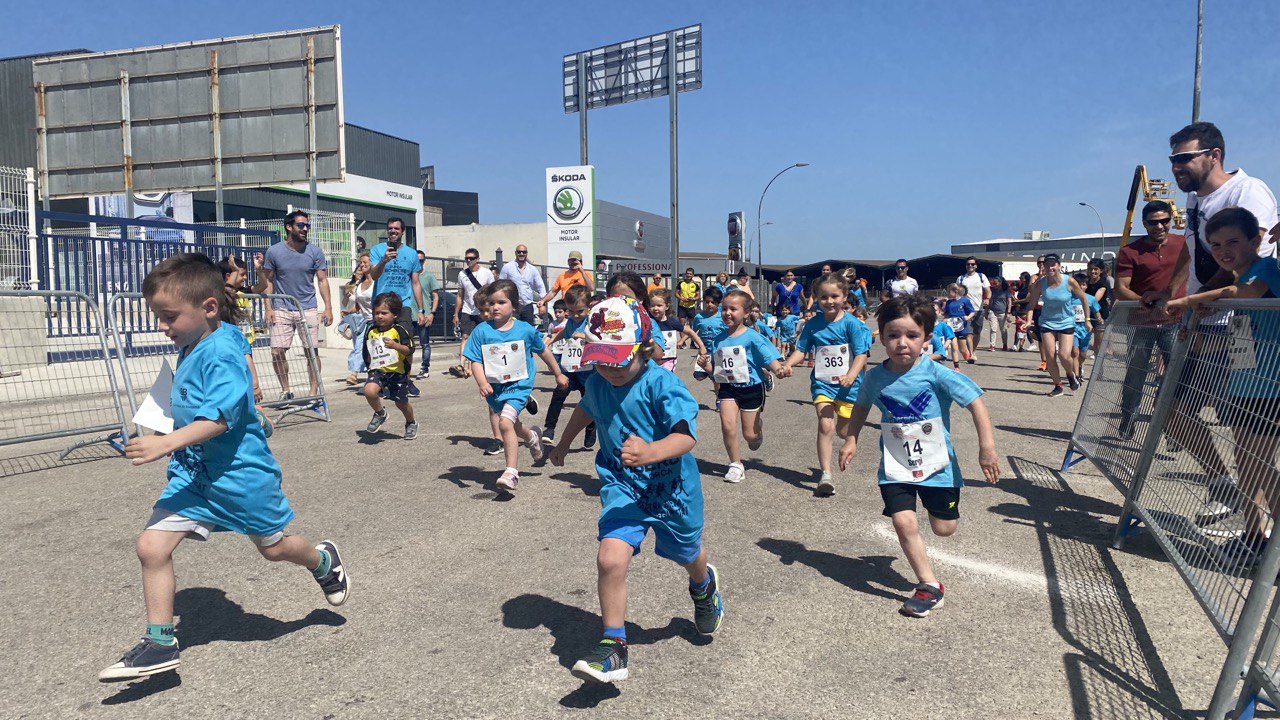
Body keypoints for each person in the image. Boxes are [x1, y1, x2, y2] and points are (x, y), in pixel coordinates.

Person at [101, 253, 348, 682]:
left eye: (169, 317)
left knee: (274, 550)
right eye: (158, 316)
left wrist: (167, 442)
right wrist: (156, 430)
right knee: (151, 548)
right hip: (194, 475)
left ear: (208, 308)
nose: (162, 326)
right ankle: (160, 642)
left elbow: (219, 416)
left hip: (241, 477)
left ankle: (322, 561)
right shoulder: (197, 341)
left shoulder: (221, 352)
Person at [547, 296, 723, 685]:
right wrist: (562, 444)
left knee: (686, 553)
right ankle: (613, 647)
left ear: (644, 347)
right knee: (610, 557)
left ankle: (703, 584)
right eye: (600, 359)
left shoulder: (661, 383)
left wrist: (652, 451)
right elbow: (586, 407)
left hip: (670, 489)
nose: (609, 369)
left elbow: (686, 435)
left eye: (618, 359)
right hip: (622, 485)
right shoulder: (598, 381)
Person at [839, 293, 1000, 618]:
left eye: (912, 336)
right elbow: (861, 407)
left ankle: (939, 512)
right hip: (896, 465)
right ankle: (929, 585)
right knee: (903, 520)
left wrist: (987, 448)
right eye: (893, 335)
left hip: (938, 467)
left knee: (944, 528)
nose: (902, 343)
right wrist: (851, 439)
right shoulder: (874, 377)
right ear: (881, 337)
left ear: (927, 338)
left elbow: (975, 402)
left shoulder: (936, 373)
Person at [1165, 207, 1280, 566]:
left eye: (1233, 241)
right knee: (1247, 465)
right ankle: (1254, 534)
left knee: (1260, 467)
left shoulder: (1265, 270)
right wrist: (1195, 332)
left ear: (1255, 239)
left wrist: (1190, 299)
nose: (1223, 250)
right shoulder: (1242, 279)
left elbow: (1241, 291)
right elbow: (1242, 336)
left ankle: (1266, 543)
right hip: (1247, 385)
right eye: (1215, 245)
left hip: (1270, 387)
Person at [463, 279, 568, 491]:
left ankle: (511, 472)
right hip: (496, 389)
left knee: (503, 424)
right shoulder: (482, 331)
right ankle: (532, 437)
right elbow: (475, 360)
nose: (495, 307)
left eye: (501, 302)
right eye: (492, 303)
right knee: (512, 424)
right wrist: (482, 382)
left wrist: (558, 373)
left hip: (519, 387)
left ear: (514, 304)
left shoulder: (525, 330)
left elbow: (543, 351)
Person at [780, 272, 872, 496]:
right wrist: (788, 364)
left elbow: (861, 355)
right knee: (825, 424)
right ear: (816, 298)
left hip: (849, 386)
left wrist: (851, 375)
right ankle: (826, 475)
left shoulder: (852, 325)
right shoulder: (813, 325)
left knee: (843, 431)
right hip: (823, 384)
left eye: (834, 296)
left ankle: (849, 440)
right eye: (824, 297)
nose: (829, 301)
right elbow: (801, 350)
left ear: (844, 296)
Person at [1170, 122, 1278, 298]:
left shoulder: (1247, 191)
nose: (1175, 168)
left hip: (1238, 316)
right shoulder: (1194, 198)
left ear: (1214, 155)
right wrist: (1170, 292)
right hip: (1201, 313)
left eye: (1184, 158)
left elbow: (1246, 256)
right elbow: (1190, 249)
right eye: (1173, 160)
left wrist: (1202, 296)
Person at [1114, 200, 1190, 437]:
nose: (1160, 226)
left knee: (1178, 374)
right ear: (1145, 223)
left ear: (1170, 221)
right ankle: (1128, 419)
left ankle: (1174, 427)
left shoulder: (1184, 245)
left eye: (1164, 221)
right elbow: (1120, 288)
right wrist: (1144, 302)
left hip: (1175, 322)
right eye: (1154, 222)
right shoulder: (1130, 252)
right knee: (1136, 374)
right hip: (1142, 323)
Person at [698, 290, 789, 483]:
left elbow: (769, 358)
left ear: (746, 313)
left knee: (751, 436)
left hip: (751, 388)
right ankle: (735, 464)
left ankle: (757, 431)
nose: (727, 313)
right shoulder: (718, 339)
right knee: (727, 426)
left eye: (733, 309)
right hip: (727, 389)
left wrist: (779, 369)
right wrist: (706, 366)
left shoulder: (753, 337)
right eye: (724, 309)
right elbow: (717, 369)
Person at [259, 210, 332, 401]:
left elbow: (322, 280)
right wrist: (268, 309)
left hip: (307, 307)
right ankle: (286, 391)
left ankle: (313, 393)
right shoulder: (274, 252)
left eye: (307, 225)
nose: (305, 229)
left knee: (311, 351)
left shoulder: (315, 252)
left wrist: (328, 308)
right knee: (276, 351)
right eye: (301, 225)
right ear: (289, 227)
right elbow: (268, 281)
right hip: (281, 306)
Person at [1022, 254, 1093, 396]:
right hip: (1047, 322)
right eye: (1047, 265)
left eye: (1053, 264)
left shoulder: (1069, 281)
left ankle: (1070, 375)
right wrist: (1029, 321)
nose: (1050, 268)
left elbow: (1084, 300)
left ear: (1059, 266)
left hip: (1066, 321)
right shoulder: (1040, 284)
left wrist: (1087, 319)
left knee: (1064, 354)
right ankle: (1058, 386)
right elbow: (1031, 304)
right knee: (1050, 356)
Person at [542, 285, 597, 448]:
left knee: (588, 403)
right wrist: (552, 339)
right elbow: (565, 332)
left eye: (580, 311)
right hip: (570, 370)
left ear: (588, 308)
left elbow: (600, 339)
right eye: (571, 311)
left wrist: (586, 336)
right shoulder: (571, 322)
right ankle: (549, 428)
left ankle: (591, 428)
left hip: (588, 372)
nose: (575, 315)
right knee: (559, 393)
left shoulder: (591, 321)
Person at [360, 292, 418, 440]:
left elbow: (409, 349)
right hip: (378, 370)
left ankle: (411, 422)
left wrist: (395, 346)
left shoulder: (399, 331)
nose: (379, 316)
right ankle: (380, 413)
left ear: (395, 315)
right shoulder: (371, 331)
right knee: (369, 391)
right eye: (376, 313)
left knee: (401, 403)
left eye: (384, 313)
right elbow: (367, 351)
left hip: (397, 372)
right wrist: (368, 367)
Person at [368, 218, 426, 329]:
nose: (393, 231)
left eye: (396, 228)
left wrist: (420, 310)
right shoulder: (377, 250)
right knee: (380, 341)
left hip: (403, 304)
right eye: (390, 228)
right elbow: (374, 276)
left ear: (402, 231)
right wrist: (383, 261)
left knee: (404, 340)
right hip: (382, 303)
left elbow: (415, 283)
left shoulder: (412, 253)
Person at [452, 248, 495, 379]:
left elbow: (493, 292)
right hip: (467, 310)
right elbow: (460, 295)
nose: (468, 261)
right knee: (465, 336)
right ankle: (461, 365)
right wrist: (455, 314)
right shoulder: (462, 274)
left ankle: (473, 367)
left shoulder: (486, 273)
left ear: (477, 259)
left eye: (471, 258)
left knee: (481, 338)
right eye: (467, 259)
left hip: (482, 311)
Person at [645, 288, 707, 372]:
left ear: (667, 306)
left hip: (668, 361)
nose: (655, 308)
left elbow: (690, 331)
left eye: (659, 305)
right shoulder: (646, 323)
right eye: (652, 305)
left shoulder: (671, 322)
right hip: (650, 361)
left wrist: (701, 346)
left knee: (665, 381)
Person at [339, 252, 375, 386]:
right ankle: (362, 375)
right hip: (362, 320)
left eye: (365, 262)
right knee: (361, 347)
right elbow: (358, 306)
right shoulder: (358, 285)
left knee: (366, 348)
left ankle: (357, 374)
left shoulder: (377, 283)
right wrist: (348, 310)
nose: (362, 265)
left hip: (375, 321)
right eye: (361, 262)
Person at [499, 243, 548, 325]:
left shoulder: (532, 269)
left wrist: (543, 304)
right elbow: (500, 286)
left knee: (528, 330)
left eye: (524, 252)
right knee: (512, 329)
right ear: (515, 253)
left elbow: (541, 287)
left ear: (526, 253)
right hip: (513, 305)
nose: (521, 254)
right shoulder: (507, 268)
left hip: (527, 306)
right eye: (519, 252)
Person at [1069, 272, 1103, 381]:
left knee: (1082, 354)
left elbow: (1096, 311)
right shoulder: (1067, 298)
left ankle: (1079, 365)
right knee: (1074, 351)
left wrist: (1099, 318)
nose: (1080, 287)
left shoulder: (1090, 299)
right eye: (1077, 284)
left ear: (1086, 286)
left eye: (1083, 284)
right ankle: (1076, 376)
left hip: (1085, 329)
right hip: (1071, 328)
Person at [412, 249, 440, 379]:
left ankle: (424, 368)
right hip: (409, 314)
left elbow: (435, 296)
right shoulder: (409, 276)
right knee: (407, 343)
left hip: (425, 314)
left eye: (421, 260)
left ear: (424, 261)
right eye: (416, 260)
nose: (419, 262)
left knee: (424, 343)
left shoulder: (429, 276)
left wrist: (432, 313)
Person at [690, 286, 727, 382]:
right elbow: (692, 332)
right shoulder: (699, 317)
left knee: (719, 379)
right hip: (705, 352)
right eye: (707, 302)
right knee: (698, 376)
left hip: (719, 352)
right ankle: (711, 375)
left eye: (713, 302)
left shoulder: (722, 317)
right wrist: (682, 340)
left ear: (718, 303)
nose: (709, 304)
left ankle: (718, 394)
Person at [957, 257, 991, 349]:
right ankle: (971, 353)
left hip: (978, 308)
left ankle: (973, 350)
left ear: (976, 266)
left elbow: (988, 290)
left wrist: (987, 299)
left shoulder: (981, 276)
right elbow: (957, 293)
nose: (970, 266)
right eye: (968, 264)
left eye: (972, 264)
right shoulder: (961, 278)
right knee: (968, 333)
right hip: (966, 310)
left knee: (977, 333)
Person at [943, 283, 978, 367]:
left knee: (962, 349)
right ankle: (956, 363)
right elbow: (946, 314)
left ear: (955, 292)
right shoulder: (948, 302)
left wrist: (967, 317)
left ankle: (969, 357)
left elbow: (972, 312)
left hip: (961, 327)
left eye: (949, 292)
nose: (947, 294)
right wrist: (945, 319)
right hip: (951, 327)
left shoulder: (964, 301)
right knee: (953, 345)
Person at [1084, 259, 1112, 357]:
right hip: (1086, 314)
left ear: (1101, 270)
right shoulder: (1085, 282)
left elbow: (1094, 300)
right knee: (1083, 340)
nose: (1092, 272)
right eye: (1090, 269)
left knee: (1098, 343)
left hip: (1100, 315)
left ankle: (1098, 364)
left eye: (1095, 269)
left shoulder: (1103, 283)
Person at [675, 268, 703, 341]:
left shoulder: (695, 285)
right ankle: (682, 342)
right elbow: (676, 293)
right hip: (682, 306)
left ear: (693, 275)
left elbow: (698, 296)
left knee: (692, 325)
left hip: (691, 307)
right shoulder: (681, 283)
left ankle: (692, 342)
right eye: (687, 274)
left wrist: (693, 299)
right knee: (681, 324)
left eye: (690, 274)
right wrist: (681, 298)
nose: (688, 275)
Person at [987, 277, 1011, 351]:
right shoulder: (992, 290)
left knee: (1003, 329)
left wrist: (1009, 312)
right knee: (993, 328)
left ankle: (1005, 344)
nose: (994, 284)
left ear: (1000, 282)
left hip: (1003, 312)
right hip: (993, 311)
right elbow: (989, 301)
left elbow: (1009, 302)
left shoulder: (1006, 291)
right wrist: (986, 311)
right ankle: (992, 345)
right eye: (993, 283)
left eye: (995, 283)